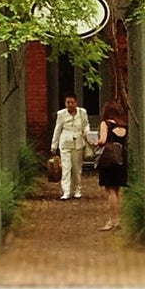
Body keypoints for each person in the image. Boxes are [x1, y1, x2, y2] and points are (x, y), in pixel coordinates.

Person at [50, 92, 90, 200]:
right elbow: (57, 129)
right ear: (65, 103)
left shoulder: (82, 113)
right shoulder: (61, 114)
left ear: (76, 102)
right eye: (68, 102)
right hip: (65, 141)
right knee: (66, 168)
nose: (70, 105)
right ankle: (66, 191)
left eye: (72, 102)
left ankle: (77, 189)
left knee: (77, 168)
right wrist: (54, 145)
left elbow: (86, 125)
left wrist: (87, 135)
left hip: (78, 142)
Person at [96, 100, 128, 231]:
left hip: (108, 161)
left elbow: (103, 141)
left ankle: (112, 220)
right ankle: (117, 219)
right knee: (117, 191)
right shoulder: (124, 126)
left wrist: (96, 142)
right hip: (121, 160)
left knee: (110, 191)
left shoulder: (106, 124)